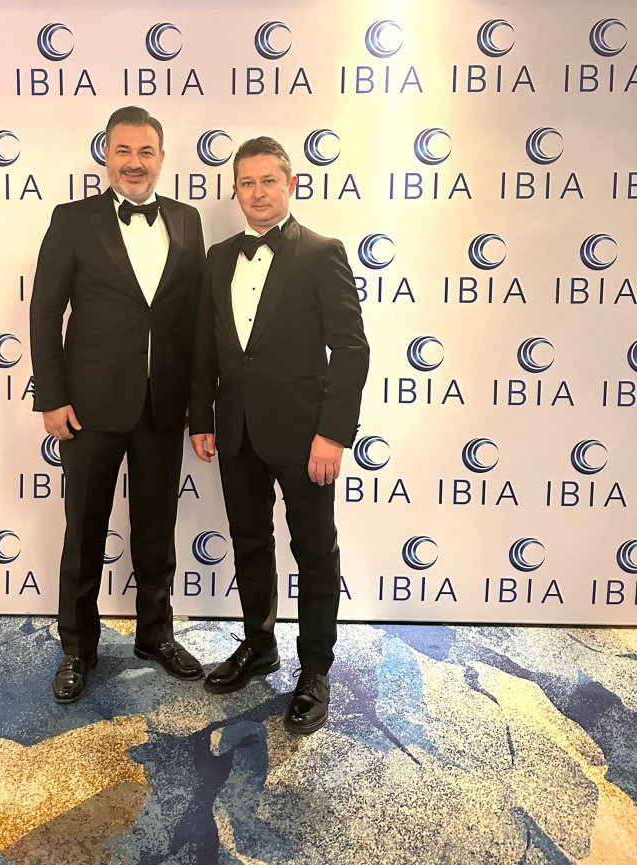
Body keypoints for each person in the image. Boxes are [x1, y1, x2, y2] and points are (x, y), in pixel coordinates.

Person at [189, 136, 369, 734]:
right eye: (247, 182)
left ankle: (315, 670)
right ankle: (259, 644)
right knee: (249, 542)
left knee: (315, 552)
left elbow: (351, 349)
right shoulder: (219, 257)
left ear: (290, 185)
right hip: (236, 430)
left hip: (305, 437)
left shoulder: (321, 252)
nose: (258, 192)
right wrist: (201, 418)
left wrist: (333, 435)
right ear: (235, 191)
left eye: (269, 180)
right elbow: (205, 345)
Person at [30, 106, 206, 704]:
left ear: (162, 158)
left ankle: (156, 636)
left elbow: (192, 321)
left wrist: (196, 403)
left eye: (146, 152)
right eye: (123, 151)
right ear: (106, 155)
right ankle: (78, 648)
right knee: (84, 531)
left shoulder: (186, 220)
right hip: (89, 407)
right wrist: (52, 398)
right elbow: (44, 311)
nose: (135, 163)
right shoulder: (72, 219)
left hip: (163, 405)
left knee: (158, 528)